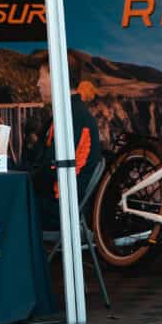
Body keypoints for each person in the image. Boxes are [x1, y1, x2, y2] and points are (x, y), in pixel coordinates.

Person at [27, 53, 102, 231]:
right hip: (54, 202)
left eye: (41, 76)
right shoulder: (67, 114)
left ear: (58, 77)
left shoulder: (73, 118)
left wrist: (21, 181)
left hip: (57, 209)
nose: (38, 84)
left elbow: (50, 170)